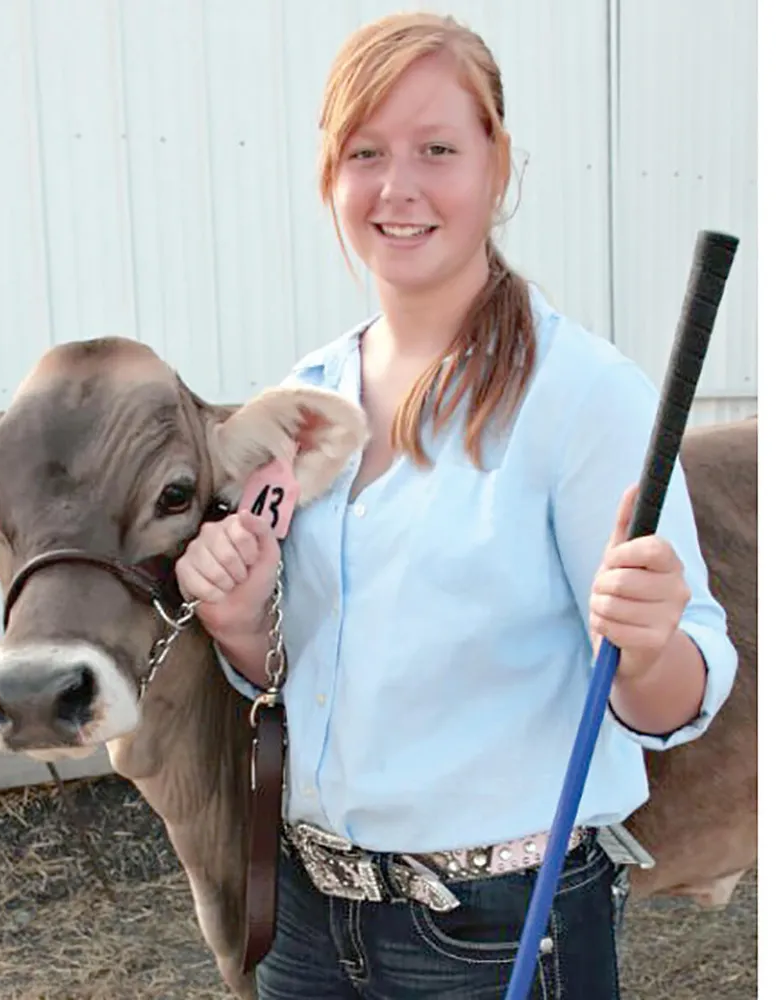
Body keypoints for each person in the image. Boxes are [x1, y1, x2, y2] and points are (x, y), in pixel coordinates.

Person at [175, 11, 737, 1000]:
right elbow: (304, 678)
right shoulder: (302, 401)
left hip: (503, 930)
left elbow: (677, 700)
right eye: (366, 152)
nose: (398, 187)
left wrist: (648, 646)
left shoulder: (583, 397)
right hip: (312, 922)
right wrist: (238, 622)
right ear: (329, 176)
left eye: (437, 148)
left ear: (497, 165)